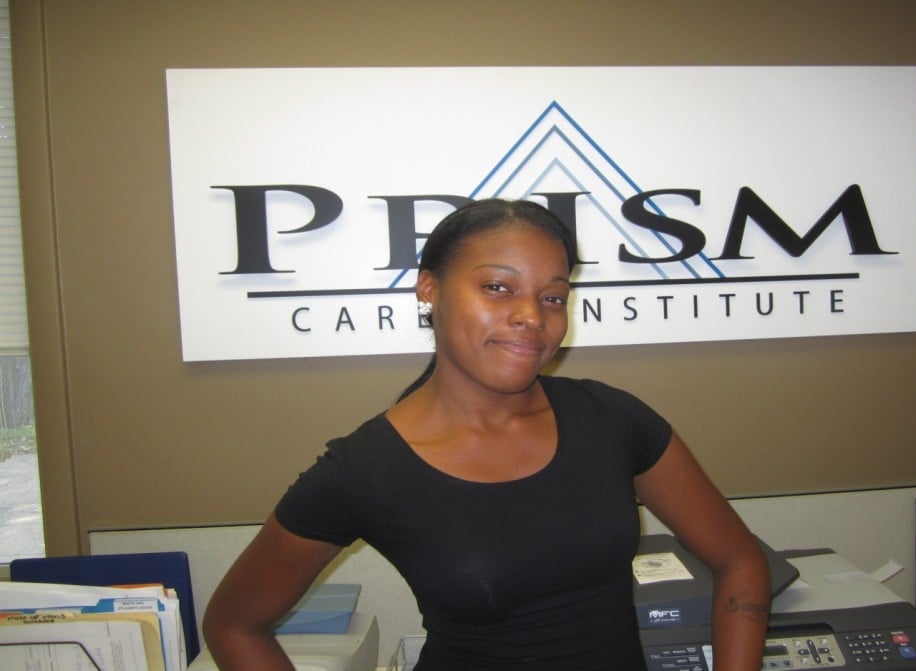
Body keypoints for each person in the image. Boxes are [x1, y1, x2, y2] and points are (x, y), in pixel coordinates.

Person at [202, 198, 770, 670]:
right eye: (498, 287)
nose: (533, 316)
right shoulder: (364, 470)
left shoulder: (613, 419)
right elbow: (233, 626)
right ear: (429, 288)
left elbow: (740, 561)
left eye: (553, 297)